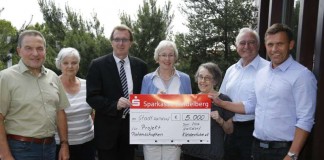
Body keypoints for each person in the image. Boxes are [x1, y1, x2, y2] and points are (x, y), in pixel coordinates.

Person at [210, 23, 317, 160]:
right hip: (258, 147)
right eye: (270, 44)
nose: (274, 49)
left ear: (290, 45)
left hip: (283, 150)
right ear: (266, 46)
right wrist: (221, 103)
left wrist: (292, 154)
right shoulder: (262, 74)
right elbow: (250, 105)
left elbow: (305, 119)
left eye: (280, 44)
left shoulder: (302, 76)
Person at [0, 30, 70, 160]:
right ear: (19, 51)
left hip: (50, 148)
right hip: (20, 150)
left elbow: (60, 111)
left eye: (39, 48)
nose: (35, 53)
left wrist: (64, 144)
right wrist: (5, 155)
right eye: (28, 48)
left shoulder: (53, 77)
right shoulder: (5, 78)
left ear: (45, 51)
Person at [86, 24, 148, 160]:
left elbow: (145, 96)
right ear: (111, 42)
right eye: (117, 39)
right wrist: (115, 105)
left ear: (131, 43)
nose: (121, 43)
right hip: (107, 132)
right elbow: (92, 97)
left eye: (125, 40)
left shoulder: (141, 66)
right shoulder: (98, 65)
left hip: (132, 130)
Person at [220, 28, 269, 160]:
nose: (246, 46)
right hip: (230, 128)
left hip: (253, 130)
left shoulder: (268, 69)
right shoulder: (231, 70)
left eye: (251, 42)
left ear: (258, 46)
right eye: (242, 43)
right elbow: (221, 96)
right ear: (236, 46)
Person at [140, 40, 192, 160]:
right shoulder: (147, 79)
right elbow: (141, 109)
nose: (167, 59)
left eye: (171, 55)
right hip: (152, 135)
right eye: (163, 55)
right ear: (157, 57)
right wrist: (154, 100)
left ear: (175, 57)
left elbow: (190, 107)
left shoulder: (185, 78)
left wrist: (184, 134)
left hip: (175, 136)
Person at [181, 62, 234, 160]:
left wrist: (220, 120)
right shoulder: (190, 100)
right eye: (200, 77)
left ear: (214, 81)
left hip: (212, 155)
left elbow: (230, 130)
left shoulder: (224, 100)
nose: (203, 81)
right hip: (189, 152)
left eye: (207, 78)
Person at [54, 47, 96, 160]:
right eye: (65, 63)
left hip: (88, 143)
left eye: (74, 62)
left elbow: (92, 112)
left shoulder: (87, 85)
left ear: (78, 64)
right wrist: (64, 144)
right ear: (59, 64)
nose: (70, 66)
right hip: (62, 146)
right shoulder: (53, 86)